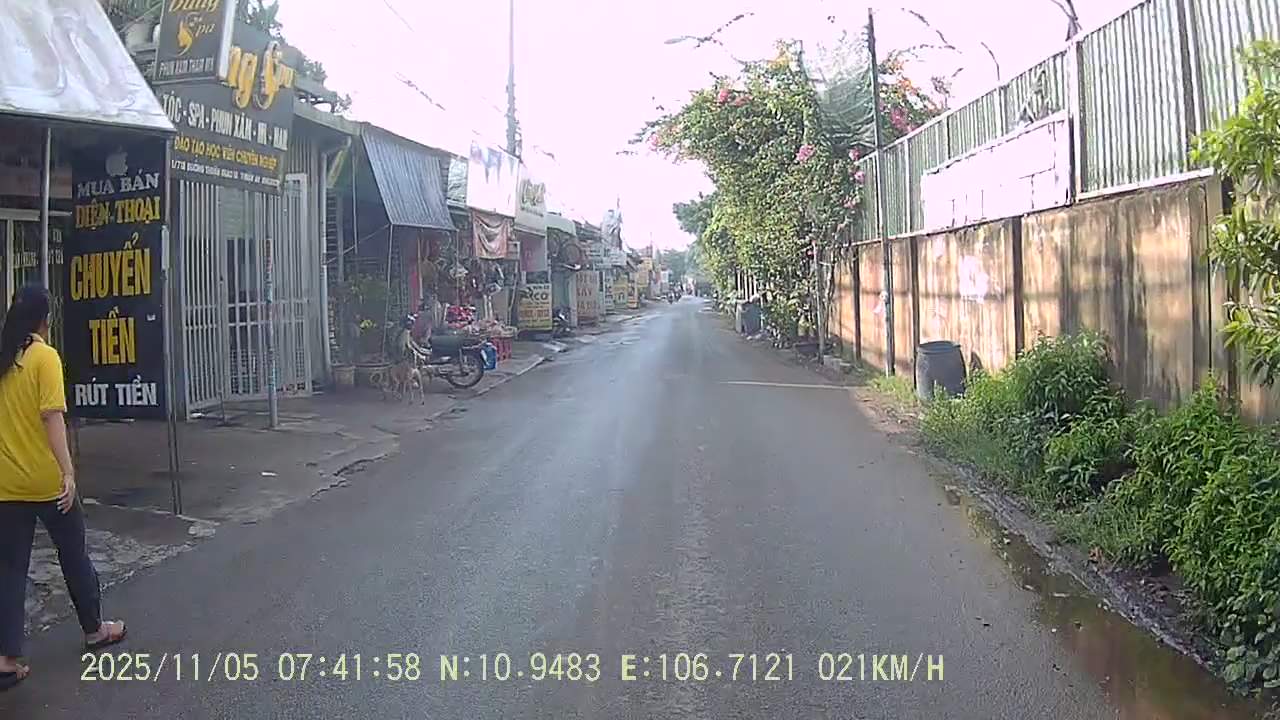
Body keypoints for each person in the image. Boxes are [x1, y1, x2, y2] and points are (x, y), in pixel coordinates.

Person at [0, 286, 126, 691]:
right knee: (73, 553)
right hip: (47, 481)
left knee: (10, 570)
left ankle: (7, 659)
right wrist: (68, 473)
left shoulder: (4, 359)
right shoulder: (45, 358)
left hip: (7, 483)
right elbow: (52, 418)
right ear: (45, 319)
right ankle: (95, 630)